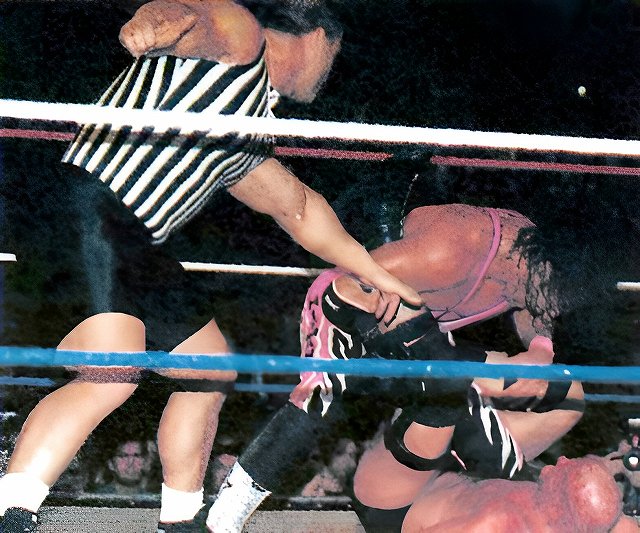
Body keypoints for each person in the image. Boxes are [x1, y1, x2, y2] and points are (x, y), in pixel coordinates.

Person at [0, 2, 421, 532]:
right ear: (317, 36)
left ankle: (181, 522)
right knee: (112, 372)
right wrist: (149, 27)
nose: (332, 73)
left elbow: (298, 208)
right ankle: (10, 513)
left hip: (137, 241)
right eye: (334, 56)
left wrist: (382, 278)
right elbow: (191, 17)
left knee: (210, 369)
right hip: (87, 207)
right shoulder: (243, 38)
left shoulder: (246, 125)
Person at [204, 204, 585, 531]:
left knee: (549, 383)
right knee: (318, 401)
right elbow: (351, 278)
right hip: (350, 308)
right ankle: (226, 513)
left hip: (418, 336)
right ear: (539, 266)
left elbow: (537, 310)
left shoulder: (529, 263)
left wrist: (541, 348)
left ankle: (466, 419)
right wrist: (381, 281)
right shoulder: (454, 250)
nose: (550, 310)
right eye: (550, 296)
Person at [400, 454, 638, 533]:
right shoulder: (562, 518)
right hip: (445, 483)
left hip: (407, 507)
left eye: (566, 469)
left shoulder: (500, 521)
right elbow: (592, 500)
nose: (562, 459)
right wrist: (620, 464)